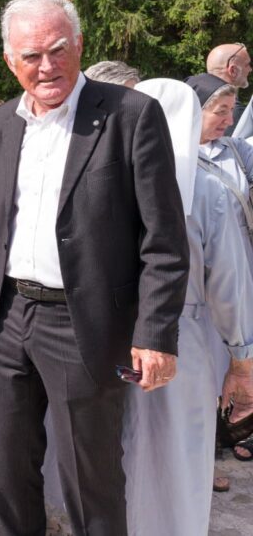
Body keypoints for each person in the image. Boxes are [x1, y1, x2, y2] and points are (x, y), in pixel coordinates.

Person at [0, 0, 189, 536]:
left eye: (57, 50)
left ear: (78, 46)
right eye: (31, 55)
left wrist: (156, 333)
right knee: (7, 468)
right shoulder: (3, 122)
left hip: (82, 324)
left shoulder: (130, 115)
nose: (46, 66)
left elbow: (163, 238)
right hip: (8, 318)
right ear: (10, 60)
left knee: (89, 477)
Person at [123, 78, 253, 535]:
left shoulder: (113, 179)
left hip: (120, 337)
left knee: (124, 448)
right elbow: (230, 285)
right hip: (191, 341)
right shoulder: (209, 191)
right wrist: (242, 356)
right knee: (182, 454)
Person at [184, 74, 253, 462]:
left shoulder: (235, 149)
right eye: (220, 111)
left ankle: (216, 443)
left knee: (232, 360)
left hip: (239, 272)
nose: (228, 120)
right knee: (204, 371)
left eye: (231, 111)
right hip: (200, 283)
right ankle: (203, 455)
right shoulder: (173, 155)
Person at [188, 43, 250, 133]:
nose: (250, 69)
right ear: (233, 70)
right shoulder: (237, 113)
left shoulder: (188, 94)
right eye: (247, 65)